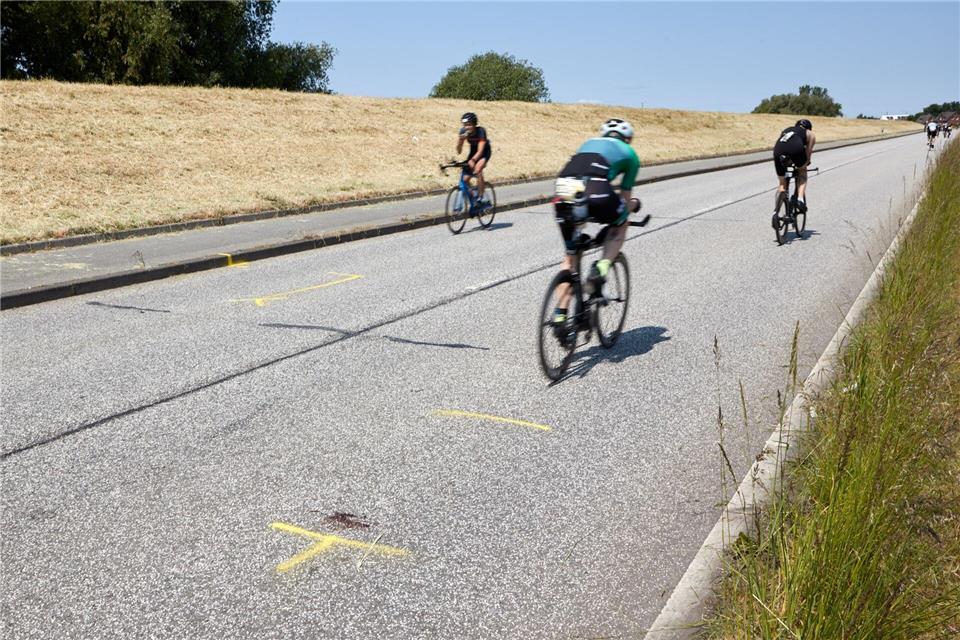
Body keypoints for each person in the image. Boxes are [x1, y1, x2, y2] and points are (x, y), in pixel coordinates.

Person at [550, 118, 647, 325]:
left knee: (570, 258)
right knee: (621, 224)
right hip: (597, 190)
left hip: (563, 189)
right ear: (628, 138)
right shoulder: (630, 155)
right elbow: (625, 198)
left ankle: (560, 314)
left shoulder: (586, 144)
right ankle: (601, 268)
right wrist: (634, 205)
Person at [772, 119, 816, 224]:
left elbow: (784, 144)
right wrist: (805, 164)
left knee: (782, 184)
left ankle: (775, 212)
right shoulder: (810, 134)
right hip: (796, 148)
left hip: (778, 150)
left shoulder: (787, 130)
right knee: (802, 171)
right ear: (809, 128)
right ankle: (800, 199)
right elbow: (808, 155)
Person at [456, 112, 492, 208]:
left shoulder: (481, 131)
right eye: (465, 125)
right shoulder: (462, 131)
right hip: (473, 152)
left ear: (474, 124)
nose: (467, 127)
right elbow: (459, 151)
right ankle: (473, 197)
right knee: (465, 179)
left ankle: (482, 197)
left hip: (484, 151)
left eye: (469, 125)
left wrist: (473, 160)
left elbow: (480, 151)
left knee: (478, 169)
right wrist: (460, 141)